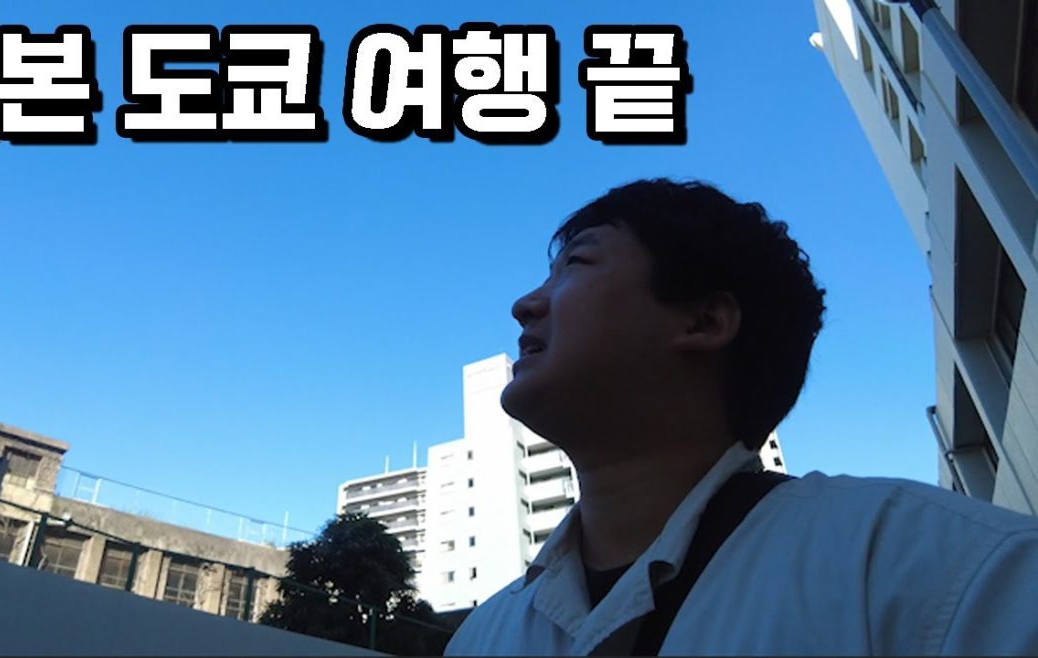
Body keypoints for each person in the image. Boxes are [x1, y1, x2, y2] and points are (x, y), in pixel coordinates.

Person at [444, 178, 1038, 655]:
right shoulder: (482, 637)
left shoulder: (944, 572)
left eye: (576, 263)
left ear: (704, 322)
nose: (525, 305)